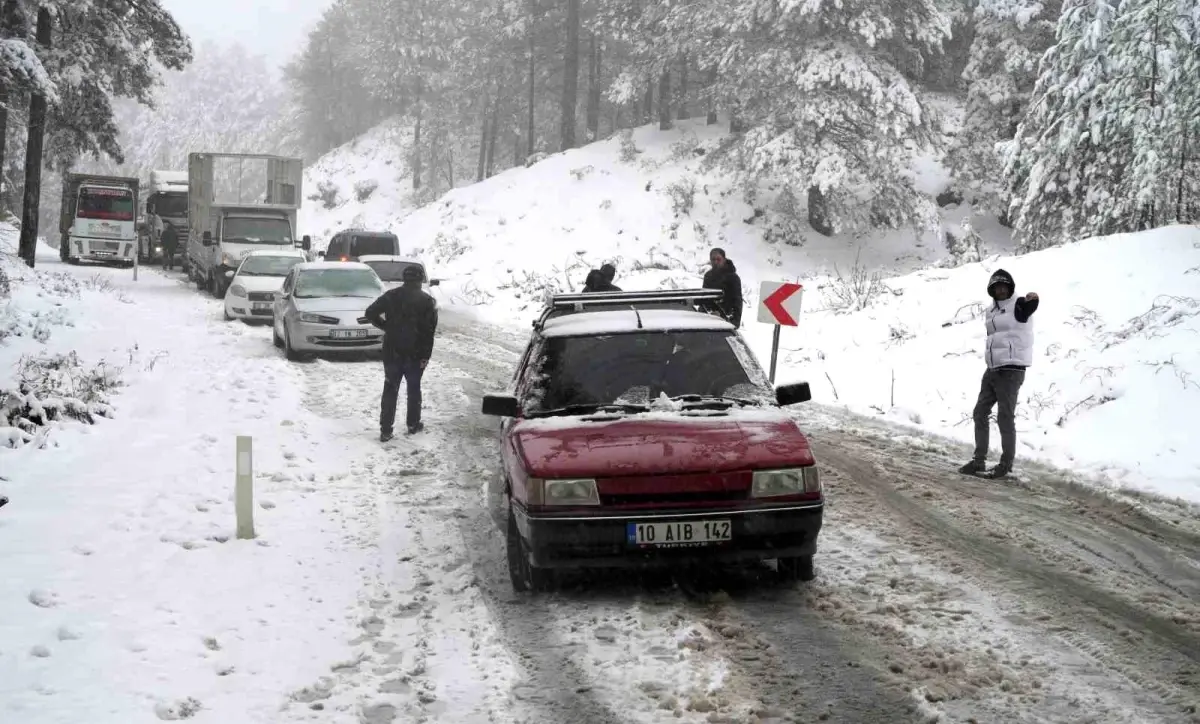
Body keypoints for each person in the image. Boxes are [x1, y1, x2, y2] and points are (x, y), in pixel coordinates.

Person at [960, 269, 1040, 479]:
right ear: (992, 290)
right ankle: (979, 461)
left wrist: (1034, 299)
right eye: (997, 287)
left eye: (1004, 286)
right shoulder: (991, 311)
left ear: (1010, 287)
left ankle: (1005, 464)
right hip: (993, 368)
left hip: (1011, 369)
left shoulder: (1019, 305)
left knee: (1005, 417)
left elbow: (1029, 307)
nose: (1001, 290)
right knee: (980, 412)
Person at [364, 264, 439, 441]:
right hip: (415, 353)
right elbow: (430, 332)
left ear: (404, 279)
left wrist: (386, 327)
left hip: (392, 351)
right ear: (420, 280)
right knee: (414, 389)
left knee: (390, 388)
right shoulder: (427, 301)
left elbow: (370, 313)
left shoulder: (391, 296)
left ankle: (386, 429)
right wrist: (425, 356)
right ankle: (413, 424)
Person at [702, 248, 744, 327]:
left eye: (718, 259)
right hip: (708, 319)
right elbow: (704, 297)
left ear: (724, 260)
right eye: (713, 259)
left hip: (726, 320)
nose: (715, 262)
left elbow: (737, 300)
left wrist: (735, 322)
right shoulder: (708, 276)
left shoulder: (733, 278)